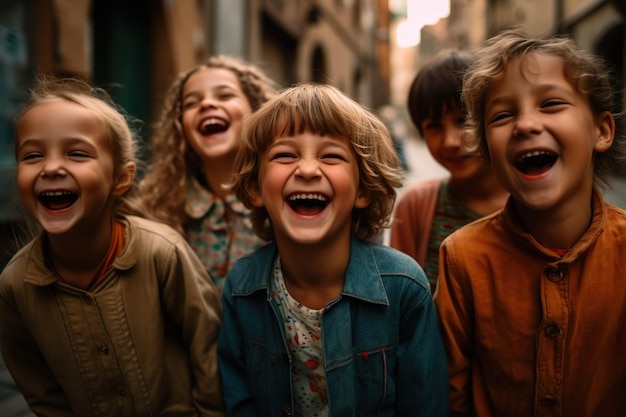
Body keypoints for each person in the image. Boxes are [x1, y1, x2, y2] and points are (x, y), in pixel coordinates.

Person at [218, 83, 449, 417]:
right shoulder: (242, 287)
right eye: (285, 155)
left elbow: (425, 405)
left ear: (363, 189)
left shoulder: (404, 288)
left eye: (331, 156)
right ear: (255, 187)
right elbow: (238, 400)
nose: (308, 170)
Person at [0, 75, 224, 416]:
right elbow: (42, 393)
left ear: (121, 178)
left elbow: (209, 351)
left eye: (77, 153)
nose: (52, 167)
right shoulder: (14, 287)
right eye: (32, 156)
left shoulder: (162, 253)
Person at [434, 29, 626, 416]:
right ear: (488, 151)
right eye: (503, 115)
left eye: (551, 103)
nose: (525, 125)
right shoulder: (462, 258)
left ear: (601, 130)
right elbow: (448, 392)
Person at [137, 55, 277, 291]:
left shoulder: (281, 204)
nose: (207, 105)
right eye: (192, 103)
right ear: (179, 126)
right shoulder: (158, 211)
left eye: (225, 95)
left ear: (257, 110)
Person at [390, 50, 508, 290]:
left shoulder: (536, 203)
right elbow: (400, 303)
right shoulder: (416, 207)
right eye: (434, 127)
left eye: (463, 120)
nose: (450, 141)